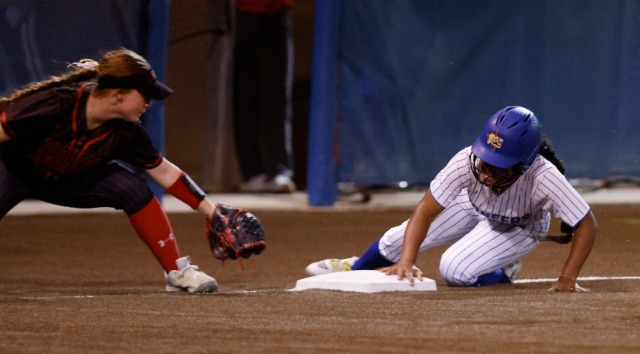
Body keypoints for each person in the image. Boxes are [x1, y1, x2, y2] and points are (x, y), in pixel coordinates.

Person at [0, 48, 225, 293]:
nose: (149, 103)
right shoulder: (58, 102)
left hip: (68, 183)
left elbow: (165, 173)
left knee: (133, 189)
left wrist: (213, 213)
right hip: (13, 172)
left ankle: (177, 272)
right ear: (119, 94)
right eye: (145, 95)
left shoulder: (126, 133)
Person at [305, 106, 598, 292]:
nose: (487, 169)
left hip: (519, 226)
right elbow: (424, 211)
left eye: (499, 164)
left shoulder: (544, 177)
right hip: (472, 206)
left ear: (524, 163)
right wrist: (407, 261)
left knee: (455, 271)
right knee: (397, 240)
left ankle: (503, 271)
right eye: (486, 158)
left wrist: (567, 278)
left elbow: (587, 223)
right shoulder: (465, 160)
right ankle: (357, 267)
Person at [233, 0, 296, 194]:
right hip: (242, 11)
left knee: (276, 95)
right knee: (245, 96)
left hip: (277, 10)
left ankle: (278, 170)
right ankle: (254, 173)